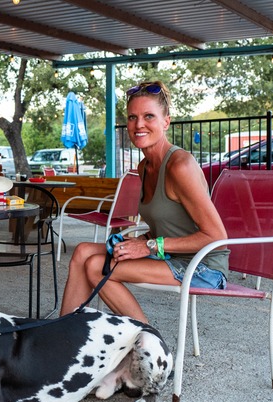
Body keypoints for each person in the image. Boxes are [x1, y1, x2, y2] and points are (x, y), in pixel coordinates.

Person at [59, 80, 229, 323]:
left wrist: (149, 247)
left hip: (203, 266)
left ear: (166, 121)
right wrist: (141, 240)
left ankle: (148, 341)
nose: (138, 124)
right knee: (84, 251)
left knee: (97, 266)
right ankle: (64, 335)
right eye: (132, 117)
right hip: (169, 255)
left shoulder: (180, 165)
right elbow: (171, 221)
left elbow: (217, 238)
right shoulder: (144, 167)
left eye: (149, 116)